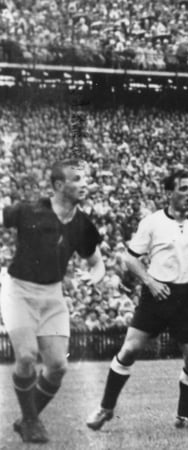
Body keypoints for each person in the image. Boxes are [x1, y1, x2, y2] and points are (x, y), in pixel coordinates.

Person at [86, 169, 188, 431]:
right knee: (129, 350)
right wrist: (150, 282)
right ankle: (105, 408)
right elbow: (129, 258)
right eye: (183, 189)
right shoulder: (152, 222)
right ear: (169, 192)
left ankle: (184, 416)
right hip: (156, 293)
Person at [1, 159, 105, 443]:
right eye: (77, 179)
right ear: (59, 185)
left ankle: (26, 419)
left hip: (53, 295)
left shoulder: (82, 223)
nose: (84, 184)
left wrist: (95, 276)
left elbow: (97, 262)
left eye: (85, 179)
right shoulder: (29, 210)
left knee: (58, 366)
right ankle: (32, 421)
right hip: (19, 291)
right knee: (25, 356)